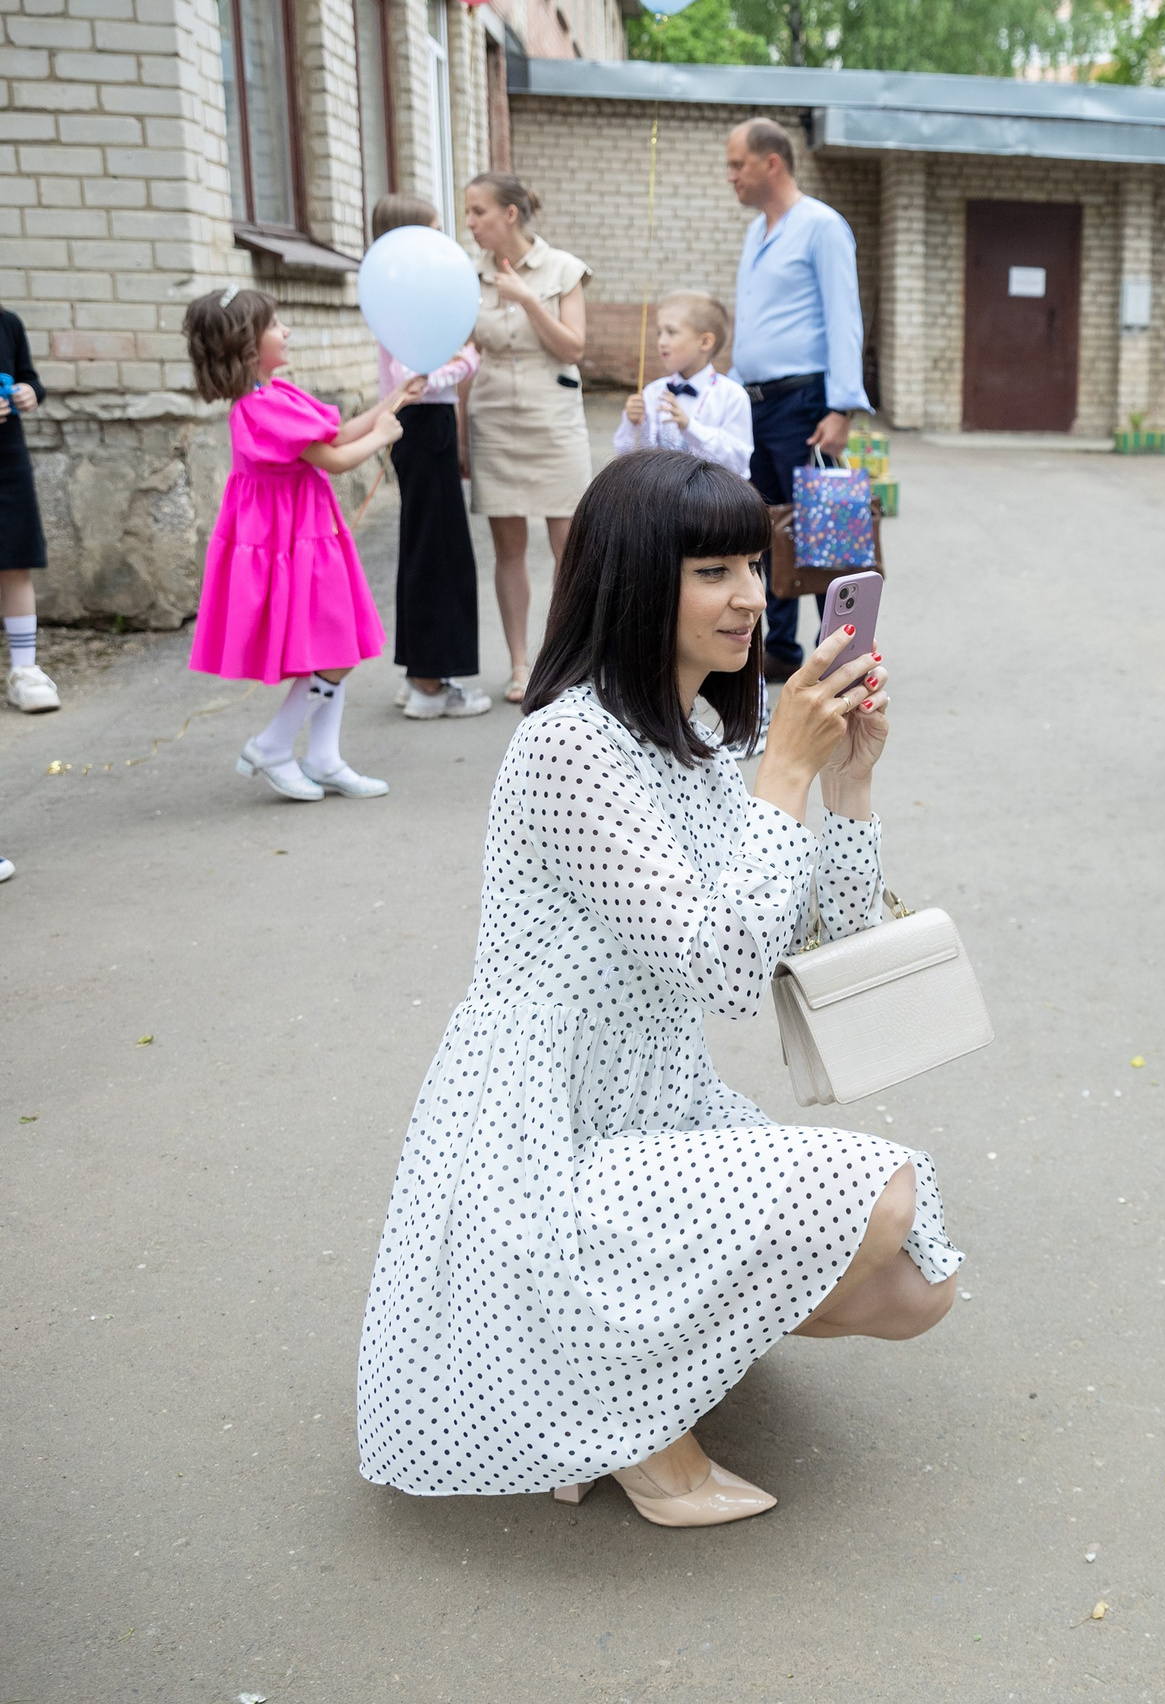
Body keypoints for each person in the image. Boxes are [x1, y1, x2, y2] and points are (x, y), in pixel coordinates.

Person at [356, 449, 959, 1526]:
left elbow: (820, 939)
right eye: (710, 571)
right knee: (882, 1195)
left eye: (749, 565)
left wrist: (848, 785)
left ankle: (605, 1373)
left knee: (914, 1289)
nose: (748, 598)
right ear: (638, 580)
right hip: (549, 1133)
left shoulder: (705, 738)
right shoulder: (569, 744)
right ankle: (633, 1432)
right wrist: (783, 777)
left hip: (659, 1106)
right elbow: (721, 971)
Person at [182, 286, 417, 801]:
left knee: (336, 642)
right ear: (246, 345)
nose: (285, 331)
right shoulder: (258, 409)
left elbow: (333, 434)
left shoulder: (277, 396)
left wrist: (392, 400)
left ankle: (324, 757)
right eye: (274, 325)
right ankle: (272, 744)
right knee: (334, 647)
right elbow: (333, 459)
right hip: (290, 542)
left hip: (307, 533)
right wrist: (384, 436)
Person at [726, 117, 870, 679]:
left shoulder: (821, 227)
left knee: (821, 532)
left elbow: (844, 318)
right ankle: (780, 649)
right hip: (754, 402)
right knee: (765, 528)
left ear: (772, 163)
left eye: (737, 164)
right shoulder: (756, 231)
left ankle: (841, 651)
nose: (731, 176)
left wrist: (842, 406)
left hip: (805, 402)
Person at [460, 171, 592, 704]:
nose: (470, 223)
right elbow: (464, 362)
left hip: (552, 420)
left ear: (509, 214)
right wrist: (462, 435)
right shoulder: (465, 276)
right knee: (507, 549)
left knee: (570, 549)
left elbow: (573, 347)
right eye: (467, 213)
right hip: (493, 419)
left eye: (478, 212)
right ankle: (519, 665)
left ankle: (564, 660)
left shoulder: (562, 268)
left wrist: (525, 299)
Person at [370, 194, 490, 723]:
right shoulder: (401, 295)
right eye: (436, 230)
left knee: (432, 547)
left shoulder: (409, 298)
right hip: (421, 424)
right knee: (436, 553)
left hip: (428, 427)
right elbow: (411, 379)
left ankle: (421, 671)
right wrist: (463, 361)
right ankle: (429, 685)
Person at [614, 290, 754, 478]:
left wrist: (690, 427)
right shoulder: (653, 392)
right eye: (659, 333)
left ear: (705, 342)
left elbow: (738, 463)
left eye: (671, 332)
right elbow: (625, 454)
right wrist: (631, 423)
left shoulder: (732, 395)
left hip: (709, 500)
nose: (662, 342)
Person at [0, 299, 57, 716]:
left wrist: (29, 393)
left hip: (7, 461)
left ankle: (24, 671)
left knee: (15, 560)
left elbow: (31, 379)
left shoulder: (7, 324)